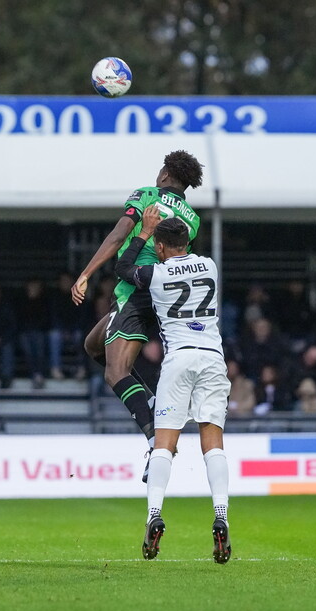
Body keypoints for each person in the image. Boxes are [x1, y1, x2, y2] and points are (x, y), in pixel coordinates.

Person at [115, 207, 232, 565]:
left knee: (164, 445)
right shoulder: (210, 265)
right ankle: (222, 514)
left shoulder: (157, 275)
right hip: (212, 357)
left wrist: (144, 233)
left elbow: (122, 269)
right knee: (213, 444)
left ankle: (154, 514)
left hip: (179, 358)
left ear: (163, 246)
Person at [71, 150, 204, 453]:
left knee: (115, 371)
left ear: (165, 175)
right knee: (93, 345)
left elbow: (118, 236)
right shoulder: (192, 219)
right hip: (161, 292)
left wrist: (86, 273)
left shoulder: (146, 195)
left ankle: (155, 439)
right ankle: (150, 399)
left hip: (134, 289)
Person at [17, 279, 50, 389]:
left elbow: (46, 320)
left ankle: (39, 373)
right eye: (31, 287)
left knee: (39, 343)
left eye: (36, 287)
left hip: (40, 332)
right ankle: (34, 374)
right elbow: (19, 320)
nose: (33, 289)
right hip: (24, 332)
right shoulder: (21, 302)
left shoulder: (44, 302)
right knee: (27, 345)